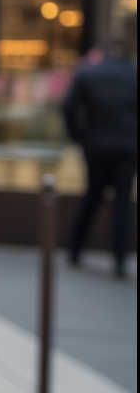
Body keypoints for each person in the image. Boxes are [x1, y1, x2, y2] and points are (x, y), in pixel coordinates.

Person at [62, 40, 138, 279]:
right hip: (128, 147)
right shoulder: (133, 75)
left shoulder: (89, 74)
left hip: (96, 146)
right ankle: (119, 259)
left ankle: (74, 250)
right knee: (122, 201)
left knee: (93, 196)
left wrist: (80, 137)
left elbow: (67, 107)